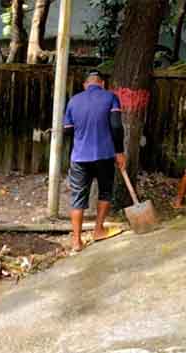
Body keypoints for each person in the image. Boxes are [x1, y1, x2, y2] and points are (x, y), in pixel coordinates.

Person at [63, 70, 126, 252]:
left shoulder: (74, 101)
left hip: (79, 157)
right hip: (105, 155)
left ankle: (76, 241)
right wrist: (119, 152)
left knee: (78, 197)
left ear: (85, 85)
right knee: (105, 192)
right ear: (102, 83)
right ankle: (98, 230)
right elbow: (116, 126)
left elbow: (67, 129)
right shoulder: (111, 98)